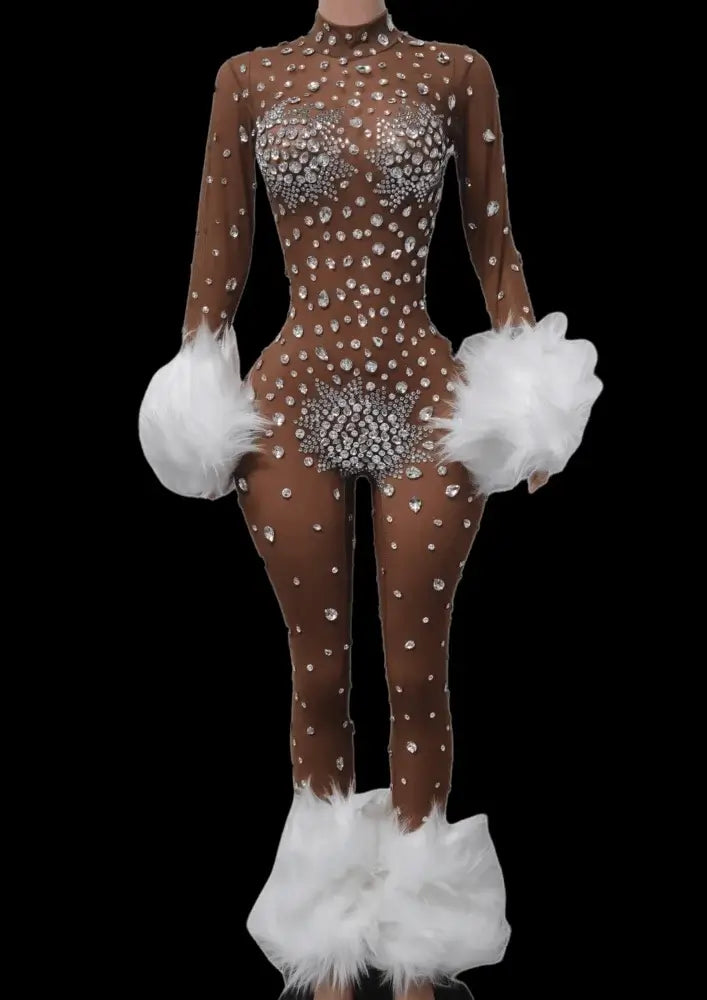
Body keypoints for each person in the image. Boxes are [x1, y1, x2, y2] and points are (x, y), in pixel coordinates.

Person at [138, 3, 602, 998]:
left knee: (416, 672)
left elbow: (493, 246)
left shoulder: (455, 69)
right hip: (291, 404)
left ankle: (419, 953)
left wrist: (533, 398)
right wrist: (197, 392)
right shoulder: (246, 77)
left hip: (422, 399)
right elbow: (217, 266)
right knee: (316, 679)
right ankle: (330, 950)